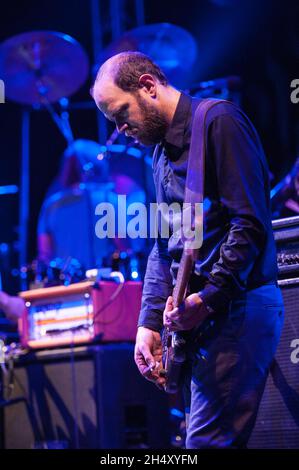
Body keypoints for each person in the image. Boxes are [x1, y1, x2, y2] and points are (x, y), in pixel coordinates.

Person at [91, 51, 284, 449]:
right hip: (207, 321)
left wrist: (209, 298)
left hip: (239, 309)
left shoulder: (219, 122)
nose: (119, 128)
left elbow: (249, 224)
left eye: (120, 113)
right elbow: (164, 248)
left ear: (147, 86)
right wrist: (147, 322)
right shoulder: (161, 153)